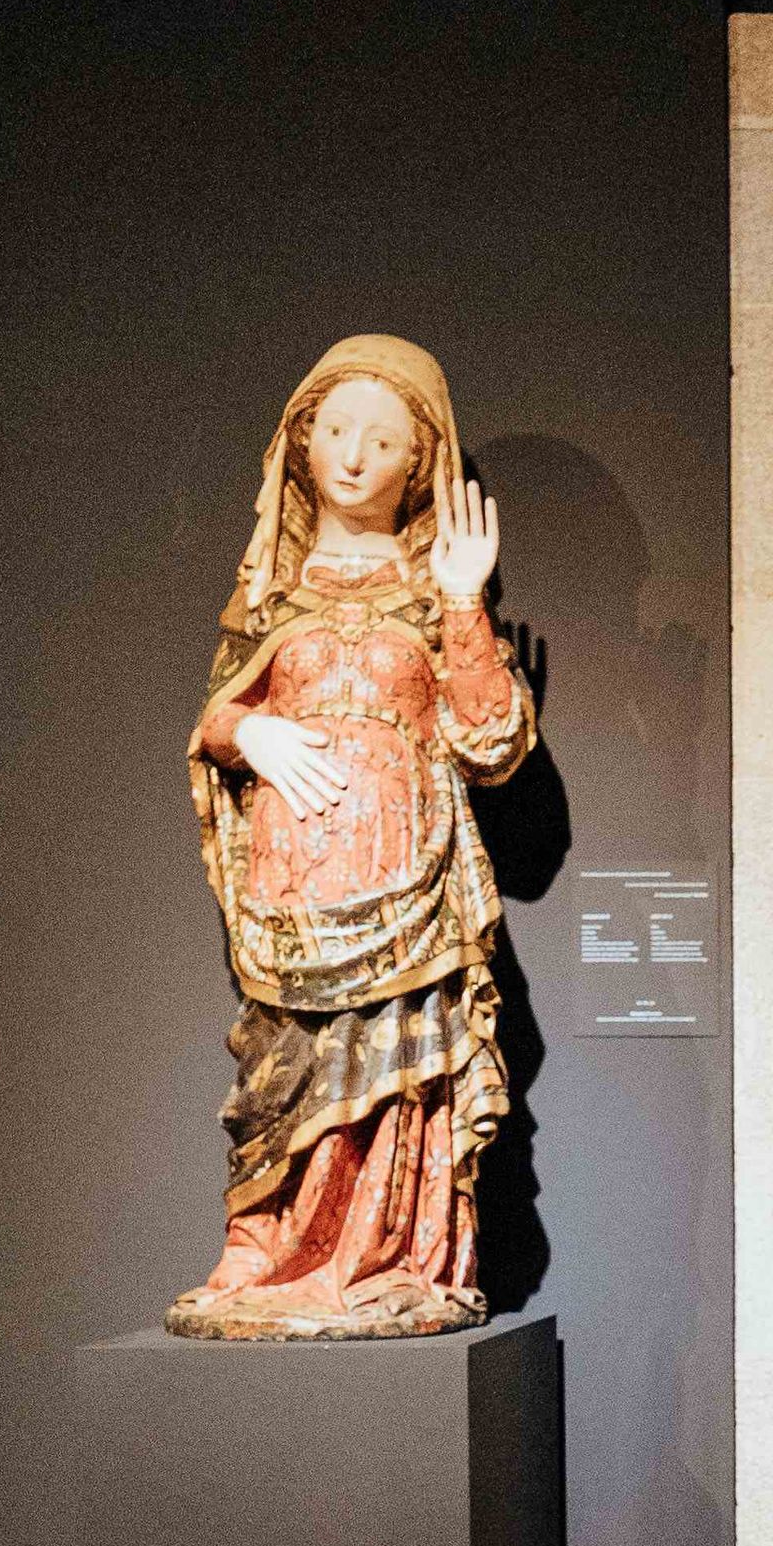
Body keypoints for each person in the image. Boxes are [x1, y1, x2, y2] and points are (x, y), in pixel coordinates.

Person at [166, 332, 533, 1336]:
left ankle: (391, 1260)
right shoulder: (272, 595)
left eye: (382, 437)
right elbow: (216, 719)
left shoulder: (436, 593)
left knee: (397, 1071)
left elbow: (491, 743)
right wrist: (251, 730)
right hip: (293, 886)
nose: (355, 454)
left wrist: (465, 599)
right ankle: (267, 1253)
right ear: (302, 442)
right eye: (335, 430)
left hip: (410, 885)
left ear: (420, 462)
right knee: (282, 1069)